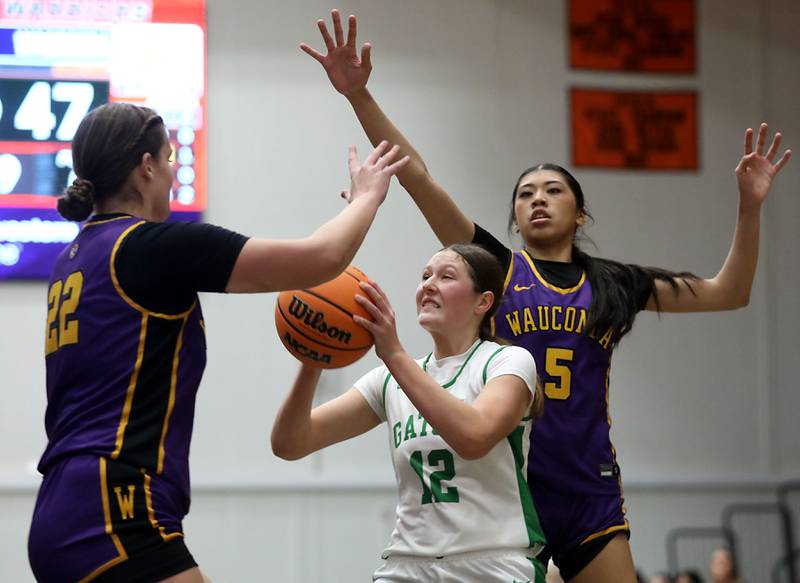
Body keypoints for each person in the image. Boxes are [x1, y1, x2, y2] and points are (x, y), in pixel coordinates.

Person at [299, 10, 793, 583]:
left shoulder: (614, 283)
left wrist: (749, 208)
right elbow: (419, 177)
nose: (537, 199)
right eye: (525, 193)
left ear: (579, 212)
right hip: (506, 490)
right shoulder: (498, 272)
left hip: (588, 486)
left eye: (553, 190)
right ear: (512, 215)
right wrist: (360, 96)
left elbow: (729, 293)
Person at [27, 102, 408, 582]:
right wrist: (366, 199)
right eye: (167, 160)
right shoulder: (151, 248)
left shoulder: (72, 259)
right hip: (115, 504)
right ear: (146, 167)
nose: (170, 173)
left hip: (63, 503)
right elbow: (322, 258)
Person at [272, 243, 546, 582]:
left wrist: (394, 353)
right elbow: (290, 443)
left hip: (492, 563)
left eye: (446, 276)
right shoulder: (389, 380)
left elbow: (474, 438)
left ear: (483, 302)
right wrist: (314, 357)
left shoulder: (508, 361)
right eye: (425, 276)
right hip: (407, 565)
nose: (429, 284)